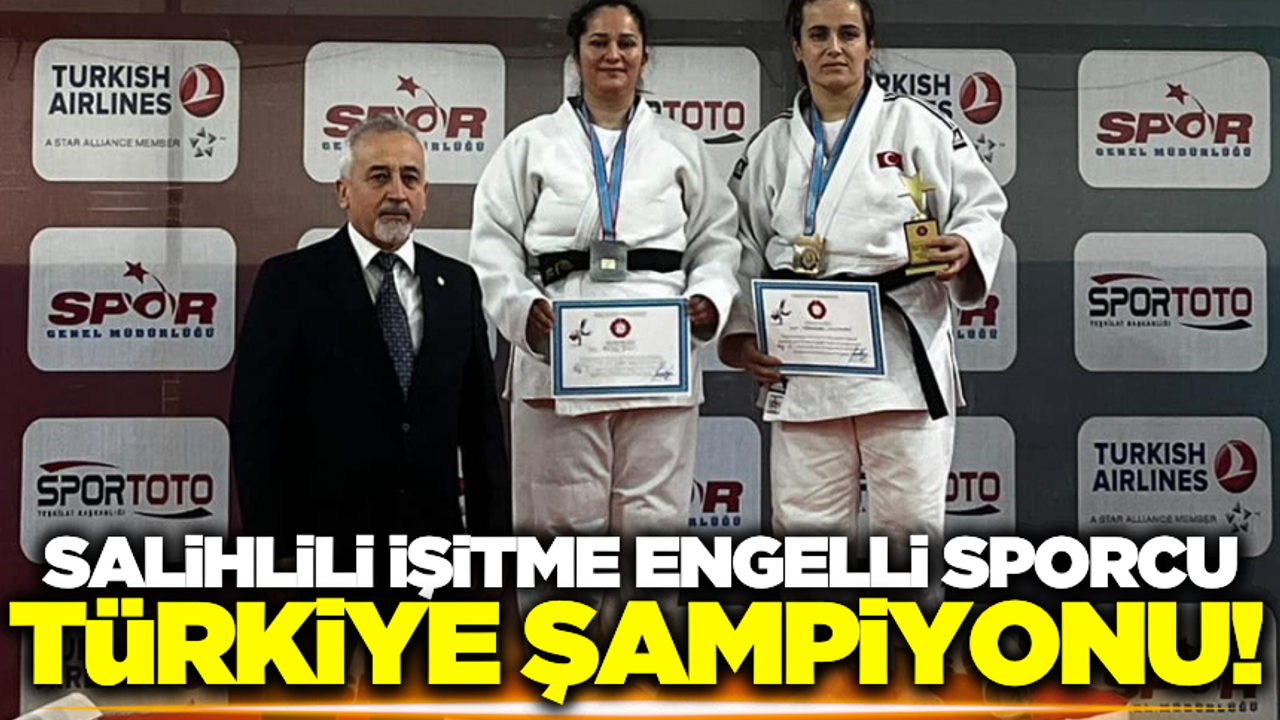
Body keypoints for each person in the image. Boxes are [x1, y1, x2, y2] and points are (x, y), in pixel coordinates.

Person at [718, 0, 1006, 609]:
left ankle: (910, 664)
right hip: (803, 365)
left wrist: (966, 246)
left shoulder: (917, 128)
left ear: (869, 45)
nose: (834, 47)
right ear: (797, 48)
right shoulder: (771, 146)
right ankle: (818, 663)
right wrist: (741, 334)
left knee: (909, 539)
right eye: (818, 34)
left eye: (848, 33)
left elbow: (982, 206)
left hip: (900, 362)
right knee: (806, 545)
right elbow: (739, 246)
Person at [468, 0, 739, 616]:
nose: (613, 55)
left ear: (645, 56)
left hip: (659, 354)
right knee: (558, 523)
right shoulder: (530, 144)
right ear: (576, 56)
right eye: (598, 43)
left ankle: (645, 655)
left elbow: (718, 241)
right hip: (560, 350)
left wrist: (710, 297)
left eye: (626, 43)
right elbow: (492, 244)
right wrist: (522, 308)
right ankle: (561, 649)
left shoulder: (680, 146)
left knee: (654, 524)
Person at [231, 112, 510, 572]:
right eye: (379, 177)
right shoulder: (289, 282)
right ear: (343, 191)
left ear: (425, 195)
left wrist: (492, 552)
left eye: (410, 178)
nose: (397, 192)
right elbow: (257, 429)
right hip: (323, 557)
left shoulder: (458, 285)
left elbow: (482, 432)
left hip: (433, 556)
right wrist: (273, 553)